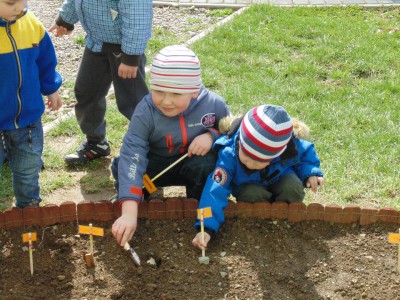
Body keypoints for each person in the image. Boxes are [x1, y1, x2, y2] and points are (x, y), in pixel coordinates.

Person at [111, 45, 231, 246]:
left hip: (192, 164)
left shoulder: (214, 105)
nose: (166, 101)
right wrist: (129, 213)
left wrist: (212, 136)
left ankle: (197, 208)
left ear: (194, 91)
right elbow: (133, 154)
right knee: (122, 165)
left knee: (207, 163)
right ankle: (141, 198)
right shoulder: (145, 110)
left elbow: (231, 133)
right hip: (155, 166)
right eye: (158, 91)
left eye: (176, 94)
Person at [192, 104, 324, 250]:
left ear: (276, 155)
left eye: (260, 161)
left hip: (281, 177)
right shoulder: (228, 154)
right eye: (247, 156)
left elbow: (306, 155)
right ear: (240, 142)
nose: (251, 163)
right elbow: (214, 191)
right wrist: (205, 227)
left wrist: (311, 172)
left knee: (292, 187)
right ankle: (261, 220)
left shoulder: (288, 144)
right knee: (252, 193)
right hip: (249, 185)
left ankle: (282, 219)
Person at [49, 0, 152, 165]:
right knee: (86, 92)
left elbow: (137, 15)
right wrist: (65, 19)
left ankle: (154, 146)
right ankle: (96, 143)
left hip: (124, 50)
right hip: (96, 45)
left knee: (133, 101)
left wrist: (131, 57)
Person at [0, 0, 63, 208]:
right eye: (10, 3)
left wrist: (51, 88)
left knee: (28, 169)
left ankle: (29, 210)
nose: (18, 8)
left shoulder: (31, 24)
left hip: (28, 120)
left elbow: (45, 62)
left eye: (22, 0)